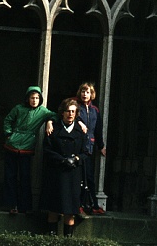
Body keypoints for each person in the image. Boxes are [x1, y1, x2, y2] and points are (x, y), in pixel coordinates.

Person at [3, 86, 57, 215]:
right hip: (12, 145)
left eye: (37, 98)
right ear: (27, 98)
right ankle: (11, 205)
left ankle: (25, 206)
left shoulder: (42, 111)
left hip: (27, 147)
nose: (34, 100)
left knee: (25, 177)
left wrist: (49, 122)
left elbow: (55, 115)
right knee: (10, 176)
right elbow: (8, 120)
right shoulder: (18, 108)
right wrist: (9, 134)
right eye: (32, 97)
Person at [39, 98, 87, 236]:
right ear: (62, 113)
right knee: (53, 210)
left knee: (69, 211)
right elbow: (47, 149)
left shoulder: (80, 131)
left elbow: (85, 153)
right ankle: (51, 240)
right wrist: (61, 160)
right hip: (56, 173)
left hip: (73, 175)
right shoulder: (53, 129)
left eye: (73, 111)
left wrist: (75, 159)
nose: (70, 114)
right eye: (67, 111)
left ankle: (67, 242)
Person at [75, 82, 107, 216]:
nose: (84, 94)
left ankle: (93, 205)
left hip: (89, 147)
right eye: (83, 91)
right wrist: (79, 122)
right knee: (79, 177)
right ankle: (79, 205)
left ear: (91, 94)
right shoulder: (75, 107)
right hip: (77, 146)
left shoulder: (95, 110)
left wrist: (101, 146)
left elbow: (98, 130)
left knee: (89, 177)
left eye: (87, 92)